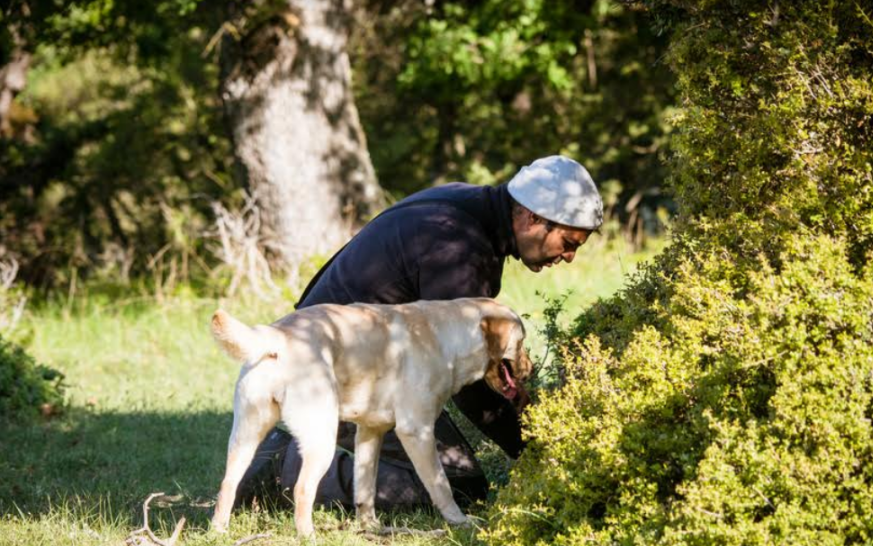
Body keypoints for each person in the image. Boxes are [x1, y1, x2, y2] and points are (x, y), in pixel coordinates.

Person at [232, 155, 604, 514]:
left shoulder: (468, 206)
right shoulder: (459, 247)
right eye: (569, 243)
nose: (569, 257)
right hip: (328, 371)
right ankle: (277, 466)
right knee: (461, 485)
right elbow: (472, 390)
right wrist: (536, 450)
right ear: (533, 217)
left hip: (334, 352)